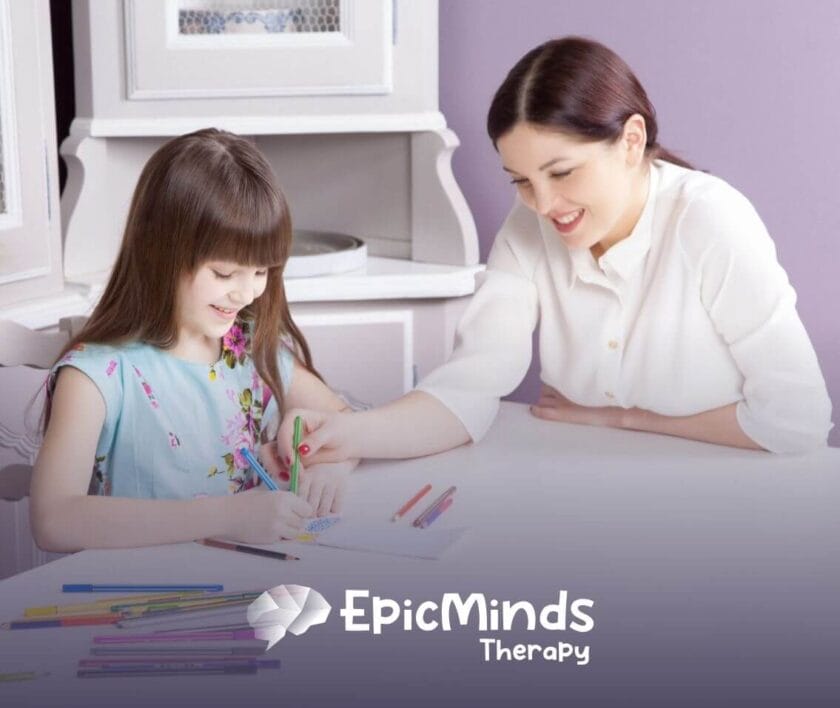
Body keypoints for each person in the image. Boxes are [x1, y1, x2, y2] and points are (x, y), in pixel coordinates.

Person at [275, 36, 832, 465]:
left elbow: (799, 422)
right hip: (582, 481)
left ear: (631, 141)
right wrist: (349, 435)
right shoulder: (529, 228)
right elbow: (470, 384)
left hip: (730, 489)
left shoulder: (710, 219)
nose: (543, 204)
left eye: (561, 172)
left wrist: (625, 420)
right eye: (519, 180)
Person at [30, 129, 354, 553]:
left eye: (262, 272)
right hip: (144, 600)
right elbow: (53, 520)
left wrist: (323, 461)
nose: (246, 293)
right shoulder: (97, 376)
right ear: (159, 254)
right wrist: (231, 515)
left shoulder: (249, 349)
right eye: (224, 274)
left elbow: (345, 423)